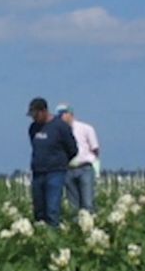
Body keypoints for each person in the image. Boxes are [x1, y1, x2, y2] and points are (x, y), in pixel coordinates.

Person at [27, 97, 77, 227]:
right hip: (38, 173)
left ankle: (53, 236)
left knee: (52, 209)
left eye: (35, 115)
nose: (34, 118)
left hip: (55, 172)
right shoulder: (33, 128)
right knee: (39, 210)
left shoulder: (60, 127)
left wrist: (60, 162)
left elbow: (72, 149)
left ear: (44, 111)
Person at [56, 103, 100, 213]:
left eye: (63, 114)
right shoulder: (58, 132)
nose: (61, 118)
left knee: (87, 202)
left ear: (70, 114)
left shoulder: (86, 128)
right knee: (73, 205)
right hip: (68, 170)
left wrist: (94, 163)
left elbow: (95, 148)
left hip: (84, 168)